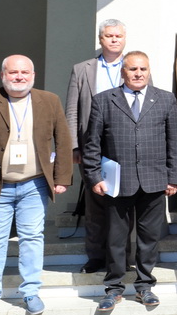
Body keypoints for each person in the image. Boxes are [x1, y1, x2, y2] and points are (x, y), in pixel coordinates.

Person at [0, 55, 72, 315]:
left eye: (24, 72)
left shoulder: (50, 100)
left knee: (32, 238)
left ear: (33, 76)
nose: (19, 77)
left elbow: (63, 140)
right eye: (13, 72)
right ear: (3, 75)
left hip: (35, 184)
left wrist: (61, 177)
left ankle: (30, 292)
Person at [82, 51, 177, 311]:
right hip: (117, 183)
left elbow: (174, 143)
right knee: (116, 238)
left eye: (143, 69)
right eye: (132, 69)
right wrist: (94, 176)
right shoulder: (104, 100)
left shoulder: (166, 99)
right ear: (122, 72)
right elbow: (92, 144)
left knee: (149, 237)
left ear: (149, 71)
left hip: (154, 180)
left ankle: (145, 286)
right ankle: (113, 287)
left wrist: (173, 177)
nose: (138, 74)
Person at [65, 19, 130, 273]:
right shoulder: (82, 69)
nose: (114, 40)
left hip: (126, 144)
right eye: (109, 36)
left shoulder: (134, 66)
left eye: (118, 36)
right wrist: (74, 146)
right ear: (100, 39)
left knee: (125, 204)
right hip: (92, 144)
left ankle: (123, 257)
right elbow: (72, 109)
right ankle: (95, 256)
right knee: (95, 203)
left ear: (124, 39)